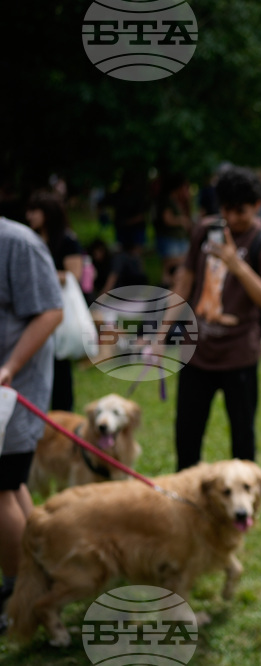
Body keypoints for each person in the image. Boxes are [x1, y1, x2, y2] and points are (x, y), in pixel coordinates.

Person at [173, 167, 261, 471]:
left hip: (239, 356)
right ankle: (185, 505)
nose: (232, 217)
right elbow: (186, 277)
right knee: (186, 438)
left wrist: (235, 264)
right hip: (197, 352)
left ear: (256, 205)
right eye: (226, 209)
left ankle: (243, 505)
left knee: (242, 441)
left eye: (241, 210)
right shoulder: (205, 230)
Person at [0, 217, 63, 632]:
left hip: (12, 390)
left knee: (1, 489)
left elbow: (51, 312)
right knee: (12, 483)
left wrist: (8, 367)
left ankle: (17, 595)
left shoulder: (16, 242)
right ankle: (41, 585)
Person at [24, 191, 83, 412]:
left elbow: (73, 275)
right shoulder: (29, 238)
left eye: (34, 211)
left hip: (57, 310)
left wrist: (40, 273)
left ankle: (62, 417)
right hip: (32, 309)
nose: (28, 215)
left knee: (59, 367)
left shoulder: (67, 239)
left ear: (47, 214)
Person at [153, 173, 193, 289]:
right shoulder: (168, 200)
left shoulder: (178, 200)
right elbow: (167, 219)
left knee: (179, 265)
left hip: (178, 238)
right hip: (170, 238)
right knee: (171, 265)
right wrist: (182, 221)